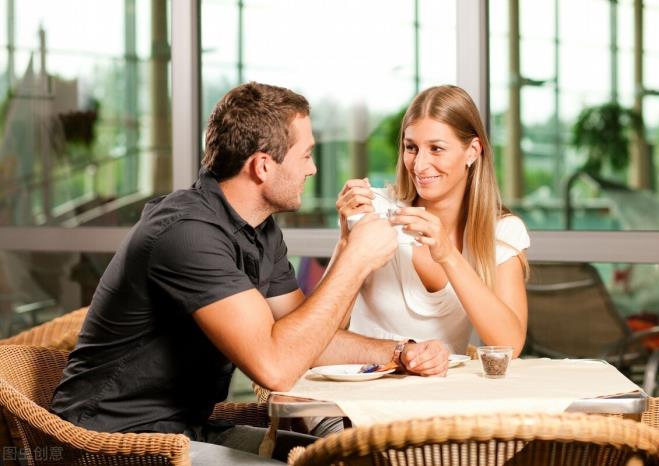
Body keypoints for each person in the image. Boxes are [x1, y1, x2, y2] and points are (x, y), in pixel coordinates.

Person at [50, 82, 448, 465]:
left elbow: (306, 339)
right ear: (262, 166)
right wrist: (355, 261)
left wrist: (400, 353)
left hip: (187, 432)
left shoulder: (259, 230)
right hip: (114, 443)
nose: (313, 169)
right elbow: (276, 368)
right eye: (306, 155)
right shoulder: (186, 234)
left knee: (353, 456)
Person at [336, 85, 530, 358]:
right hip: (370, 377)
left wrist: (448, 255)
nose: (419, 165)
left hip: (442, 385)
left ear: (473, 151)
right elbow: (325, 331)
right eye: (411, 148)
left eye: (436, 149)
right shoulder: (376, 210)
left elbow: (509, 345)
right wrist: (347, 243)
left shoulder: (502, 231)